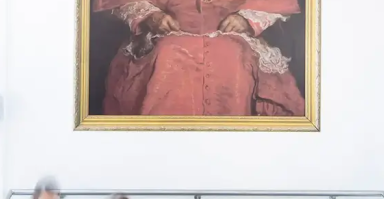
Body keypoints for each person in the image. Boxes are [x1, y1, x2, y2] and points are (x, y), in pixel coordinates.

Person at [94, 0, 306, 116]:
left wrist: (245, 19)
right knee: (167, 56)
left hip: (232, 39)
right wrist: (152, 16)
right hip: (168, 38)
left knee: (231, 58)